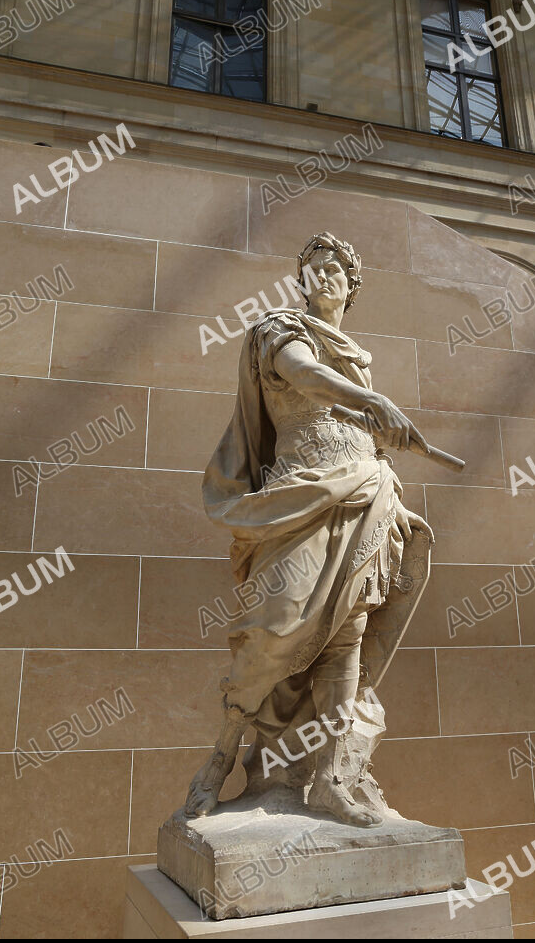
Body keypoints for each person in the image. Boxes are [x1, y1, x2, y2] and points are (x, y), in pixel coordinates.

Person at [184, 231, 433, 827]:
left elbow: (364, 432)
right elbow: (304, 374)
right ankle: (221, 758)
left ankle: (331, 778)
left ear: (352, 287)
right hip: (299, 494)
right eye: (314, 268)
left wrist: (387, 467)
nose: (323, 276)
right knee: (273, 628)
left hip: (365, 493)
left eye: (335, 269)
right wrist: (373, 402)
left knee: (348, 632)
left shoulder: (357, 356)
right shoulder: (279, 330)